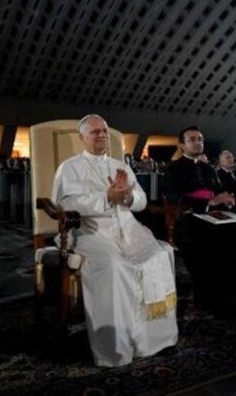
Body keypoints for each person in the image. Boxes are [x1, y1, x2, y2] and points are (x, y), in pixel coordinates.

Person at [51, 114, 177, 367]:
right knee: (115, 265)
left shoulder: (121, 166)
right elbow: (63, 204)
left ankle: (153, 340)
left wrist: (128, 197)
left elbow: (141, 200)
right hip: (88, 229)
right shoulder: (69, 167)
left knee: (160, 255)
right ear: (82, 137)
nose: (102, 135)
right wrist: (106, 197)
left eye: (104, 131)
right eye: (95, 131)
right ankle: (116, 349)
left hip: (128, 228)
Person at [165, 126, 236, 317]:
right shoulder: (173, 168)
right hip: (189, 218)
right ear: (182, 146)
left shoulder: (209, 168)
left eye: (200, 139)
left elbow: (218, 192)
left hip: (215, 216)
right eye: (192, 139)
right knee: (218, 237)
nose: (198, 142)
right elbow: (174, 198)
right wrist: (208, 202)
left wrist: (226, 199)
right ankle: (216, 299)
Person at [216, 150, 236, 215]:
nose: (231, 159)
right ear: (221, 161)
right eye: (227, 158)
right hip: (224, 209)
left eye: (231, 157)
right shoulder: (217, 175)